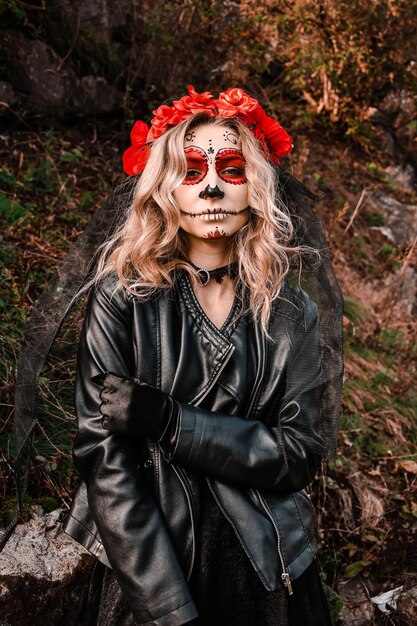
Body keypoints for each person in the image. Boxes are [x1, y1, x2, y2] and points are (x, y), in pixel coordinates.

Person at [62, 86, 343, 625]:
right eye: (191, 170)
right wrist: (167, 608)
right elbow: (105, 461)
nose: (211, 187)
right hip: (148, 558)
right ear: (164, 186)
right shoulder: (124, 297)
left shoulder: (291, 312)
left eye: (232, 168)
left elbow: (298, 453)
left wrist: (170, 422)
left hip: (264, 564)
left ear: (256, 185)